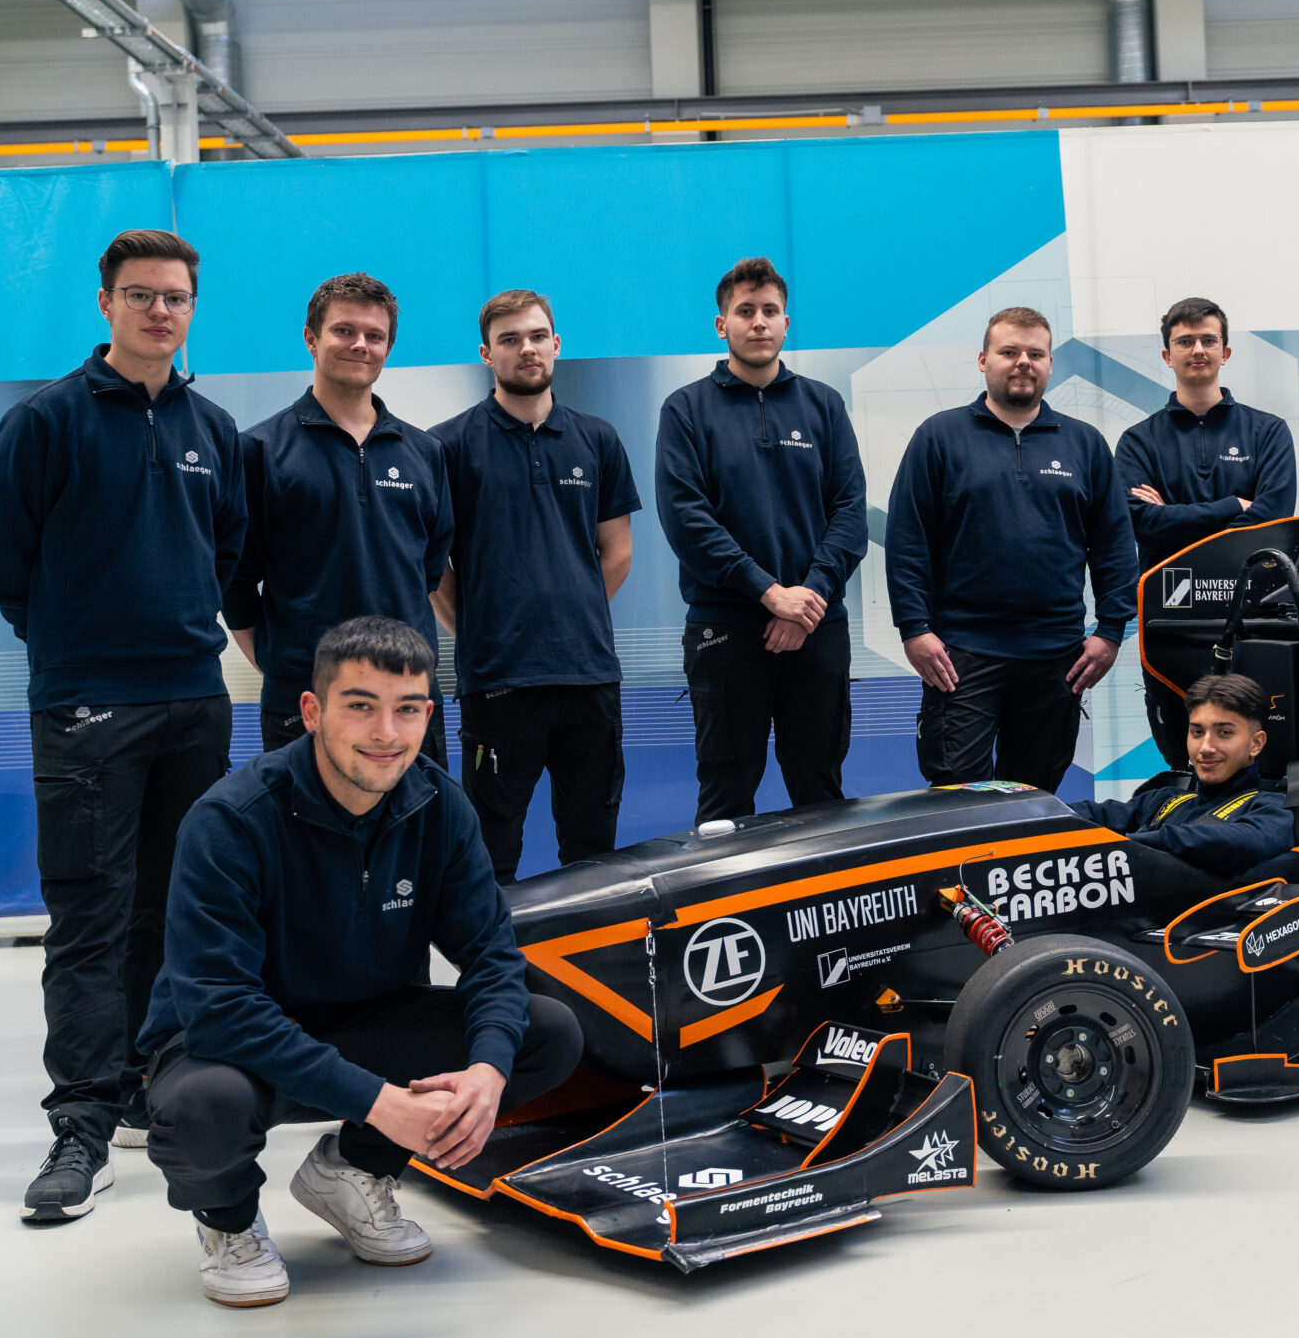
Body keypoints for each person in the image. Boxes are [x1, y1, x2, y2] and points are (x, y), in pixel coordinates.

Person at [138, 617, 583, 1306]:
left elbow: (493, 957)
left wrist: (489, 1072)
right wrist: (383, 1104)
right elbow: (220, 1011)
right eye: (360, 706)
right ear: (312, 711)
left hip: (368, 1021)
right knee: (203, 1108)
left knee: (544, 1033)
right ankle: (228, 1219)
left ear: (428, 715)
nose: (385, 732)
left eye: (407, 709)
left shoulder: (439, 805)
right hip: (235, 1046)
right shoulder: (230, 820)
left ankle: (351, 1170)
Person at [0, 227, 245, 1222]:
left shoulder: (213, 429)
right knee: (91, 915)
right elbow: (2, 565)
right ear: (106, 304)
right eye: (140, 295)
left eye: (174, 297)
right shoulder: (44, 422)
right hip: (85, 705)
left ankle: (151, 1086)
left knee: (177, 909)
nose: (158, 311)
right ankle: (81, 1128)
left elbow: (224, 552)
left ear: (191, 308)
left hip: (193, 700)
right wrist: (77, 645)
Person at [885, 308, 1139, 794]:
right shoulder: (938, 437)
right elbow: (907, 540)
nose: (1023, 362)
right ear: (983, 360)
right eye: (1009, 352)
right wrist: (914, 628)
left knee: (1035, 799)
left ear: (1050, 365)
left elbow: (1113, 545)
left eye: (1035, 354)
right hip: (961, 656)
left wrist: (1110, 631)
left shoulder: (1085, 444)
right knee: (956, 796)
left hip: (1057, 658)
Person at [430, 290, 639, 880]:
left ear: (556, 344)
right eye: (510, 339)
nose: (527, 348)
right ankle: (497, 950)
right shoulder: (446, 446)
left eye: (537, 336)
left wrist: (570, 620)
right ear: (486, 354)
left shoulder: (598, 439)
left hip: (588, 678)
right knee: (491, 860)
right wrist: (481, 629)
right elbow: (432, 567)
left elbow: (617, 553)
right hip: (497, 682)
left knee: (594, 858)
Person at [654, 255, 868, 821]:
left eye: (770, 311)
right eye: (744, 311)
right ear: (721, 324)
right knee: (725, 800)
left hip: (817, 627)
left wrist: (807, 601)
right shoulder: (685, 410)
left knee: (821, 794)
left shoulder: (824, 405)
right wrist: (771, 594)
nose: (759, 322)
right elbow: (687, 520)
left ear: (786, 323)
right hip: (726, 630)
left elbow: (850, 513)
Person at [225, 273, 453, 768]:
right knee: (304, 821)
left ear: (388, 347)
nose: (360, 345)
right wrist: (279, 664)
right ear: (311, 338)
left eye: (374, 335)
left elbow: (428, 571)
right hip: (304, 701)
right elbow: (236, 581)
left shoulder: (425, 453)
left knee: (416, 820)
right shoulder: (260, 449)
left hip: (407, 698)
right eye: (344, 331)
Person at [1117, 296, 1298, 570]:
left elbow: (1271, 523)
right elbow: (1144, 525)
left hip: (1251, 591)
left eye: (1209, 340)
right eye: (1185, 342)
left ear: (1225, 353)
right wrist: (1233, 506)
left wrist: (1170, 516)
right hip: (1168, 592)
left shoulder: (1269, 432)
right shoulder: (1138, 441)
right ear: (1167, 357)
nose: (1198, 350)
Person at [1069, 673, 1291, 879]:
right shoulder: (1163, 800)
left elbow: (1244, 842)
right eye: (1197, 732)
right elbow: (1076, 816)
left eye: (1224, 733)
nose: (1205, 747)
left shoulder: (1273, 808)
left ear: (1256, 744)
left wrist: (1128, 844)